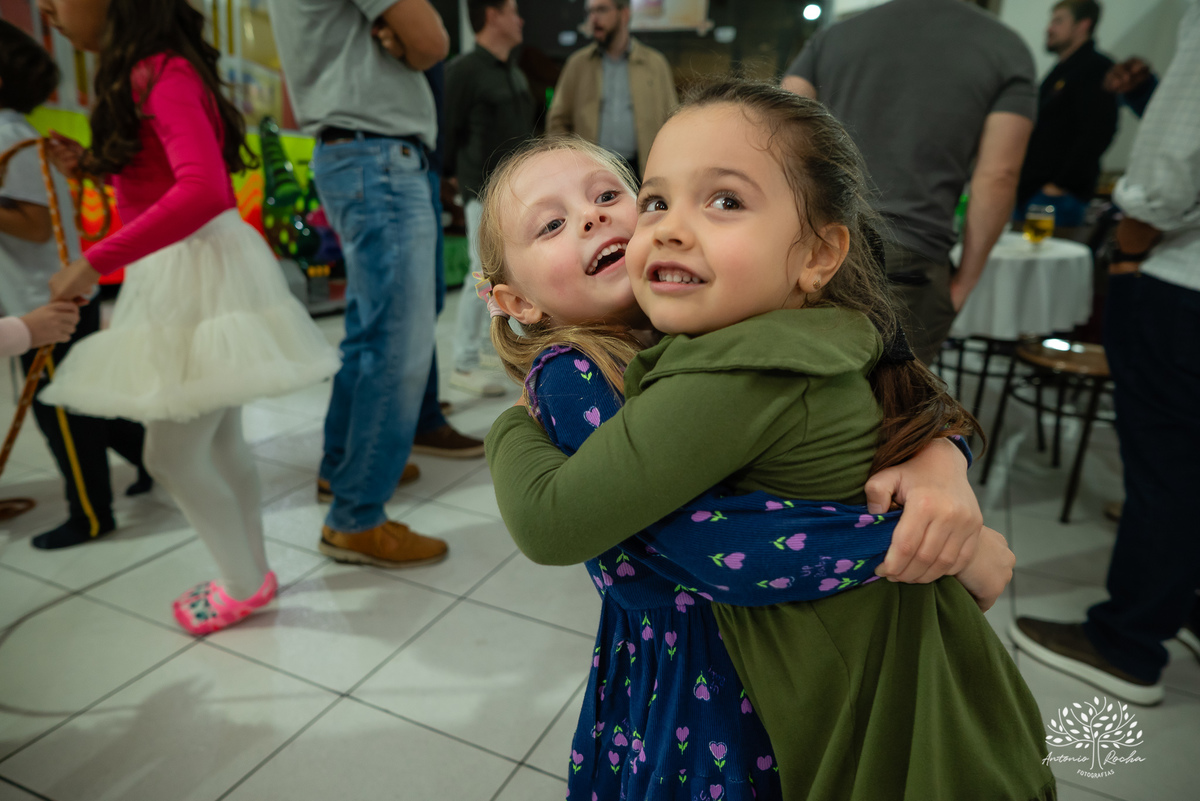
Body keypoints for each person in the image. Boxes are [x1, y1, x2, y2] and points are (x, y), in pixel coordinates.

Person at [484, 83, 1054, 799]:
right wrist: (924, 546)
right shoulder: (580, 371)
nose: (597, 218)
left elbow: (899, 381)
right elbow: (685, 544)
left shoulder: (719, 314)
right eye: (551, 225)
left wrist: (941, 462)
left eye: (615, 195)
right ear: (516, 302)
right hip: (705, 665)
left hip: (768, 663)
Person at [36, 0, 340, 635]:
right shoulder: (148, 72)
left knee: (173, 453)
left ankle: (241, 581)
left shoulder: (158, 72)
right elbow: (159, 177)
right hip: (189, 268)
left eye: (58, 0)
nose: (48, 12)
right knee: (219, 439)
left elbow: (200, 188)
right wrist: (89, 165)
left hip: (196, 269)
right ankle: (251, 572)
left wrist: (94, 262)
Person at [1013, 0, 1200, 707]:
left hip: (1182, 278)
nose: (1050, 27)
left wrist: (1126, 256)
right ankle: (1183, 604)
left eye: (1059, 15)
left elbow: (1176, 165)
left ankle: (1127, 640)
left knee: (1166, 465)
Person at [267, 0, 458, 567]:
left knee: (373, 330)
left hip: (353, 151)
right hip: (378, 153)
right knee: (394, 341)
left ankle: (347, 463)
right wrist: (409, 41)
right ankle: (356, 515)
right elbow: (432, 42)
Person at [782, 0, 1036, 363]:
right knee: (893, 410)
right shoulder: (1005, 48)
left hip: (816, 249)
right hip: (910, 263)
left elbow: (780, 137)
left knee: (804, 397)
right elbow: (998, 175)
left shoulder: (835, 36)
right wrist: (963, 284)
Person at [0, 19, 151, 547]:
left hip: (45, 301)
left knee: (60, 412)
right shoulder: (16, 133)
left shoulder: (5, 135)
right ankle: (152, 458)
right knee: (80, 401)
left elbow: (35, 224)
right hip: (47, 295)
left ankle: (90, 513)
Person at [444, 0, 533, 397]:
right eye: (513, 10)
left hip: (514, 192)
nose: (521, 19)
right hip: (481, 191)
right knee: (480, 274)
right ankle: (462, 362)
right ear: (493, 15)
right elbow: (447, 131)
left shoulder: (511, 72)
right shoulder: (463, 71)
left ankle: (483, 348)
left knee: (499, 274)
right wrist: (450, 183)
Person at [1016, 0, 1119, 228]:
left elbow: (1098, 132)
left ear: (1083, 25)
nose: (1049, 28)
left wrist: (1059, 184)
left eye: (1058, 21)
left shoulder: (1096, 68)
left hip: (1056, 197)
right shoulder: (1060, 71)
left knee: (1041, 261)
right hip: (1030, 189)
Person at [546, 0, 677, 177]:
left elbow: (672, 121)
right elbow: (557, 121)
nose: (593, 18)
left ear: (624, 14)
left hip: (642, 171)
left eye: (601, 10)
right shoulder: (578, 64)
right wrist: (568, 164)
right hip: (591, 171)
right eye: (590, 12)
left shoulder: (654, 64)